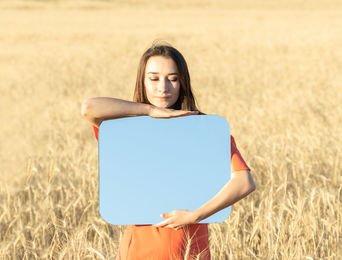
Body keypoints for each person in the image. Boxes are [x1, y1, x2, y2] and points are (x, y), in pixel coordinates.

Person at [81, 43, 256, 260]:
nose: (163, 87)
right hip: (138, 251)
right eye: (153, 78)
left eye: (172, 78)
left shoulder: (205, 130)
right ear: (142, 81)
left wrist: (194, 216)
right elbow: (89, 108)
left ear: (182, 83)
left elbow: (244, 182)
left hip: (190, 249)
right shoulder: (126, 130)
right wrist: (149, 110)